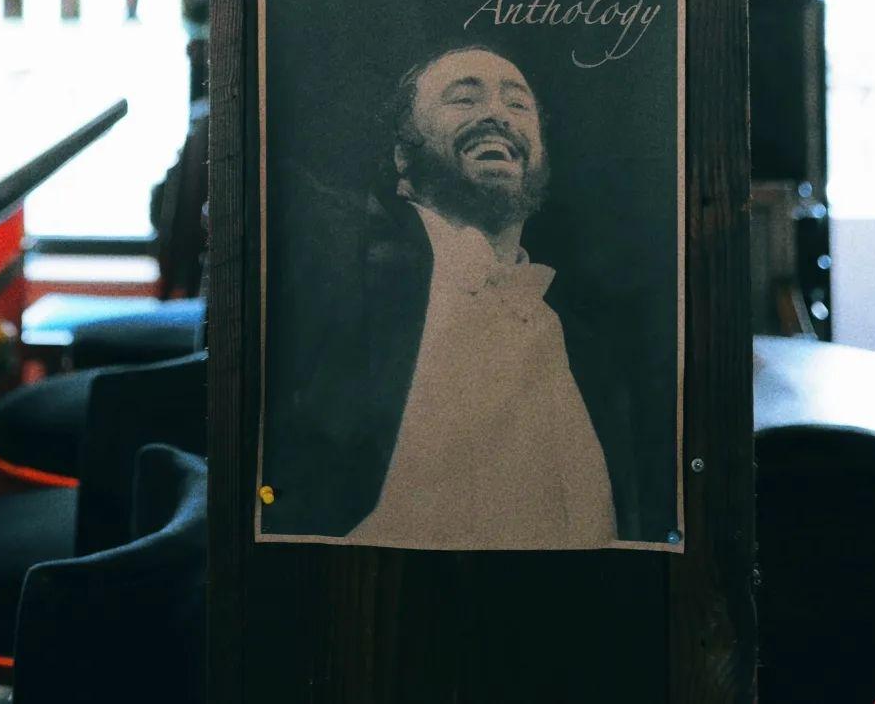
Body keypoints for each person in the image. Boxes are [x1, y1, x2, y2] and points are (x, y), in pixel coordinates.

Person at [270, 45, 662, 548]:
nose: (497, 114)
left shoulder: (592, 355)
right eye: (464, 99)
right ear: (403, 156)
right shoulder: (339, 257)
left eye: (517, 104)